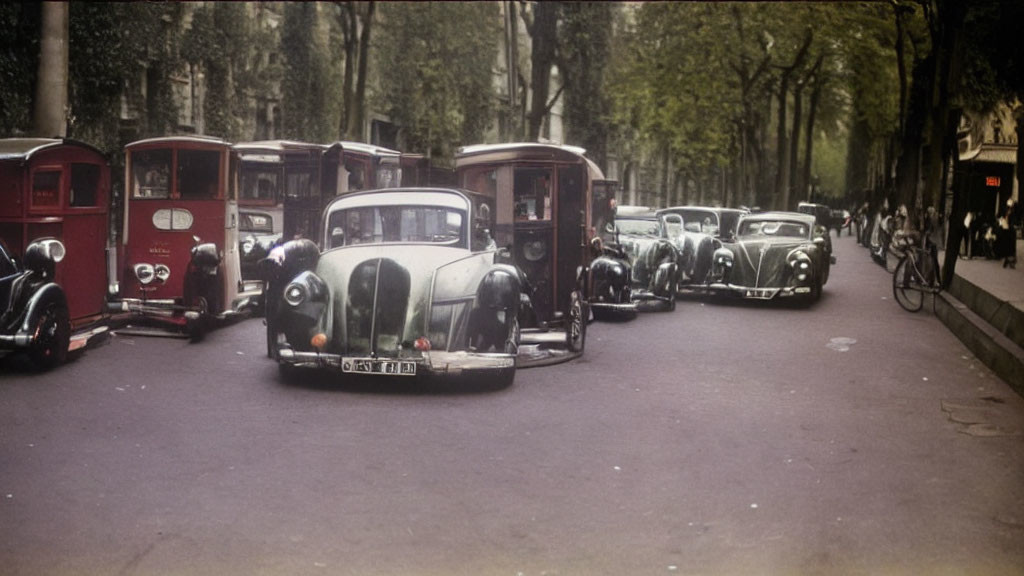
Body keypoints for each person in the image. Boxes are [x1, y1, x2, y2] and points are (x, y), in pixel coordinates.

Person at [999, 199, 1017, 269]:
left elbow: (1013, 221)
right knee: (1008, 246)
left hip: (1010, 231)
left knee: (1011, 247)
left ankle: (1011, 261)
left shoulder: (1013, 212)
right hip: (1007, 230)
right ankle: (1008, 260)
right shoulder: (1006, 212)